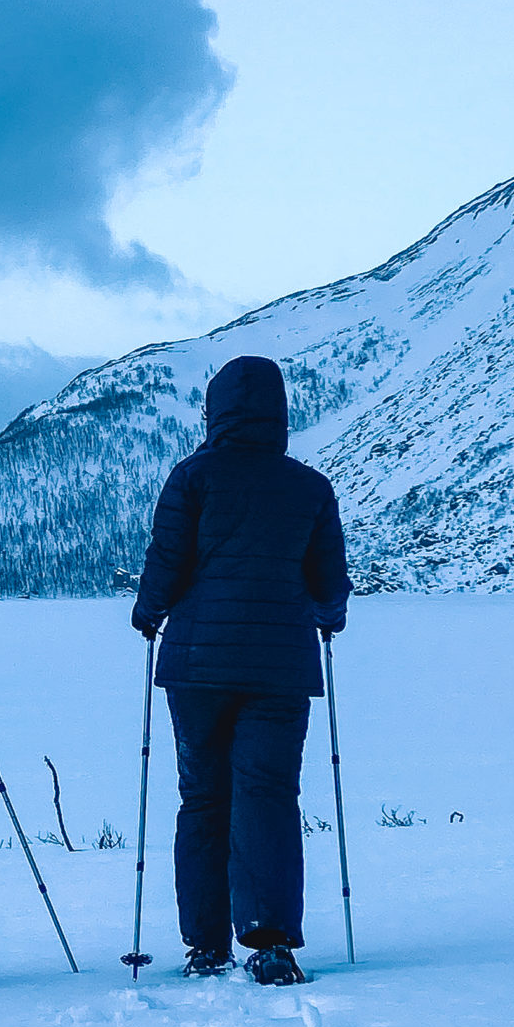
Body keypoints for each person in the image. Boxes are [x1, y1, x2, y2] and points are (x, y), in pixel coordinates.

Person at [130, 354, 350, 984]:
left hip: (197, 666)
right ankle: (271, 939)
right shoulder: (308, 487)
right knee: (269, 794)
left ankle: (205, 944)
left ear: (216, 411)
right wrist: (329, 617)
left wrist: (148, 613)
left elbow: (167, 561)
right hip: (280, 667)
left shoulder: (192, 477)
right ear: (279, 411)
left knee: (202, 797)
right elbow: (329, 583)